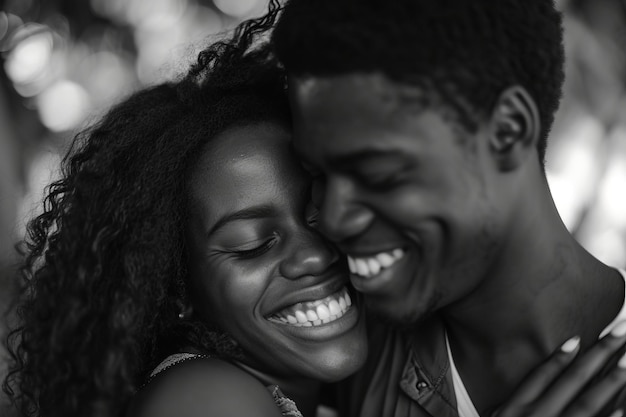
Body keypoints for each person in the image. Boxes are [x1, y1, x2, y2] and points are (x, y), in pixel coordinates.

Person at [1, 12, 368, 417]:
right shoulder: (211, 399)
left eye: (318, 215)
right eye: (253, 245)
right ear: (178, 289)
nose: (314, 255)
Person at [271, 0, 626, 415]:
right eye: (318, 176)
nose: (332, 219)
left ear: (508, 131)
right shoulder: (340, 352)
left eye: (378, 174)